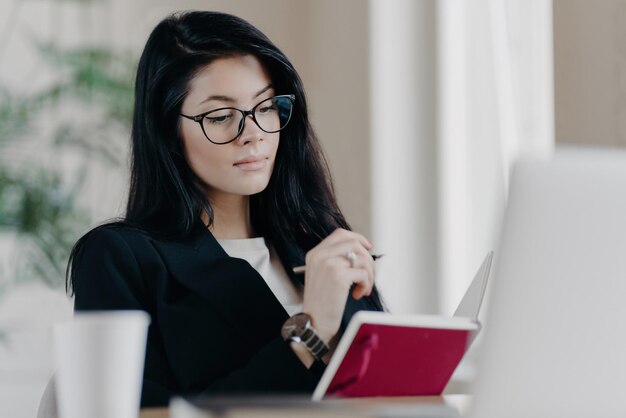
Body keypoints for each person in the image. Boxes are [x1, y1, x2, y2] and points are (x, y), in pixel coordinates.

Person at [66, 10, 384, 407]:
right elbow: (142, 414)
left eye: (266, 107)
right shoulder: (121, 258)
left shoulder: (319, 243)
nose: (252, 134)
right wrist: (310, 331)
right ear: (167, 131)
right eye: (220, 116)